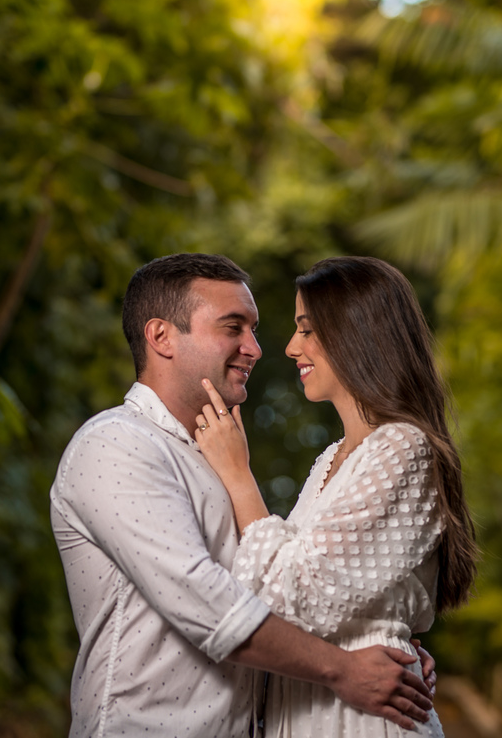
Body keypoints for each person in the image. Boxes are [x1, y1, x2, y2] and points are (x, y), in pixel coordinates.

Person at [49, 253, 436, 737]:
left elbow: (284, 588)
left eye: (253, 330)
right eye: (233, 327)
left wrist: (377, 630)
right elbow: (209, 608)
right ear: (161, 337)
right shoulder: (117, 445)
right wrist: (345, 667)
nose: (256, 348)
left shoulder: (220, 459)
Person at [193, 256, 479, 737]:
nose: (290, 347)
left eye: (306, 329)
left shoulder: (402, 447)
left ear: (357, 333)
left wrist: (238, 475)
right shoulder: (331, 459)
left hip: (361, 718)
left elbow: (295, 592)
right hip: (312, 706)